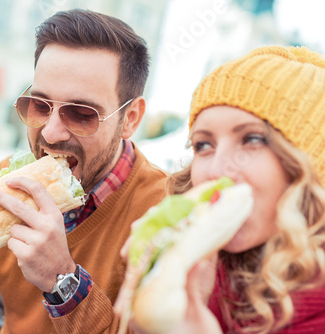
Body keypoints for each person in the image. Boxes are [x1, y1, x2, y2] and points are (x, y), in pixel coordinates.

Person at [0, 9, 168, 334]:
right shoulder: (3, 182)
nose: (51, 133)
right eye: (40, 105)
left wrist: (63, 281)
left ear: (132, 119)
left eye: (81, 114)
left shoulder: (165, 213)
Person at [126, 45, 325, 334]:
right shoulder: (207, 265)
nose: (217, 171)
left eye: (252, 139)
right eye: (204, 145)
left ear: (309, 165)